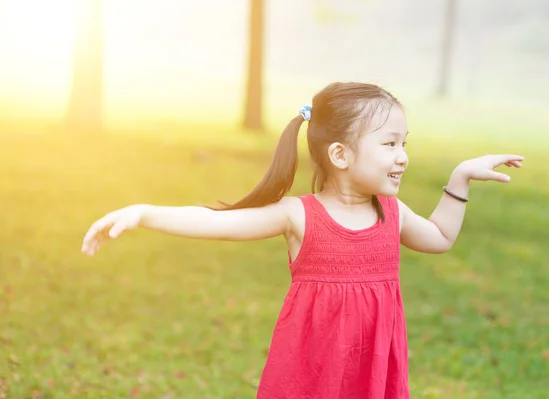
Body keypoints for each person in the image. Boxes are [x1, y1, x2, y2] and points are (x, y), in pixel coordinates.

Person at [81, 82, 524, 398]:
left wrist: (459, 178)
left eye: (405, 142)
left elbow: (441, 236)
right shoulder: (300, 215)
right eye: (389, 144)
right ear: (340, 154)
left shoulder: (391, 212)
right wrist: (142, 213)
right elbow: (217, 223)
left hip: (372, 376)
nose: (403, 157)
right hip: (311, 377)